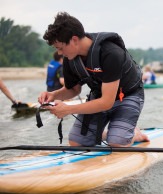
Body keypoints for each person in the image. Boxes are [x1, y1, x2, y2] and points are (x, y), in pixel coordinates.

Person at [38, 12, 149, 147]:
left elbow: (106, 102)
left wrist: (68, 109)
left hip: (128, 96)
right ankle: (112, 132)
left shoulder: (111, 53)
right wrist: (53, 95)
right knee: (76, 142)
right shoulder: (70, 58)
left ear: (74, 40)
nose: (60, 53)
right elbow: (73, 90)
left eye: (60, 48)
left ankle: (133, 134)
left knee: (117, 143)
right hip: (99, 97)